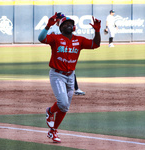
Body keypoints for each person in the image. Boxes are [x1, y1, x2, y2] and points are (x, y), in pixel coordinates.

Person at [38, 12, 101, 143]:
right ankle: (50, 111)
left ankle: (53, 131)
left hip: (70, 76)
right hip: (57, 75)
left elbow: (96, 44)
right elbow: (41, 38)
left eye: (70, 24)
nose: (68, 25)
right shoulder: (55, 38)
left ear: (74, 27)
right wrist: (48, 26)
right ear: (61, 28)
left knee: (65, 107)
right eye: (65, 23)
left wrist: (97, 32)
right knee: (63, 102)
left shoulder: (80, 40)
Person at [48, 12, 85, 96]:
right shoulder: (53, 28)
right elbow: (51, 38)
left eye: (61, 18)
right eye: (59, 18)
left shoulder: (65, 26)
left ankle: (76, 88)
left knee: (71, 71)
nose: (60, 20)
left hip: (68, 49)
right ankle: (65, 89)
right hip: (59, 51)